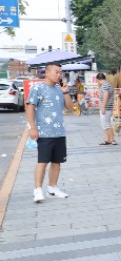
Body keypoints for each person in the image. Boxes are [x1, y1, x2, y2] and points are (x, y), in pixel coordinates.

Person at [26, 64, 73, 203]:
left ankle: (53, 187)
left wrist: (65, 92)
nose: (59, 75)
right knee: (42, 162)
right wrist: (33, 127)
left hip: (59, 132)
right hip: (44, 132)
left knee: (57, 162)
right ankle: (38, 190)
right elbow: (29, 107)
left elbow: (70, 108)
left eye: (60, 72)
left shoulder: (59, 89)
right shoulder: (37, 88)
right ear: (46, 73)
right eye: (56, 72)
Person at [97, 73, 116, 145]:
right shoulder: (108, 85)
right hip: (108, 107)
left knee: (107, 124)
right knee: (105, 124)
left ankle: (112, 139)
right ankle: (107, 139)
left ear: (98, 79)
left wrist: (103, 107)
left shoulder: (105, 85)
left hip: (106, 108)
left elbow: (106, 94)